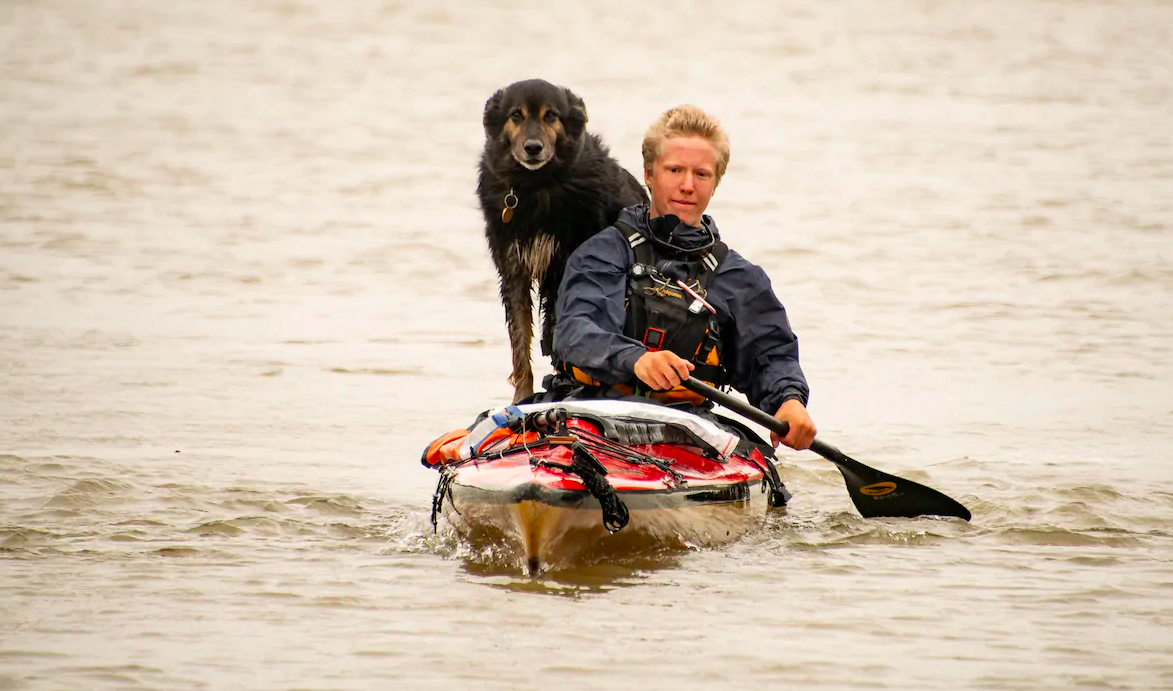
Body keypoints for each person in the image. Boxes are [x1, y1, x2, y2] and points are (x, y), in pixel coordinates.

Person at [547, 104, 817, 451]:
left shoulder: (740, 277)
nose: (687, 186)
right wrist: (638, 359)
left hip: (686, 425)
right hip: (589, 411)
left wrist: (789, 401)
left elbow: (771, 355)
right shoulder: (602, 252)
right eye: (674, 170)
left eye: (701, 174)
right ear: (648, 174)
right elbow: (576, 331)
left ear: (716, 182)